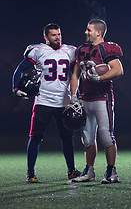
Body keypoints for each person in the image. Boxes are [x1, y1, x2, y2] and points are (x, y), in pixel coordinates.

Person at [12, 23, 81, 183]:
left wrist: (76, 95)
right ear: (46, 37)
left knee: (67, 137)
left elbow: (75, 74)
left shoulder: (70, 51)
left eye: (59, 34)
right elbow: (20, 70)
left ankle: (71, 171)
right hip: (43, 101)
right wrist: (16, 88)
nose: (58, 37)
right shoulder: (38, 50)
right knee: (35, 137)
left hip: (64, 102)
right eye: (54, 35)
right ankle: (30, 172)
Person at [70, 19, 123, 184]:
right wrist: (73, 96)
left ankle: (111, 172)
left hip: (102, 98)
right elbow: (75, 75)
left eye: (89, 30)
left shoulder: (106, 48)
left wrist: (99, 78)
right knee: (87, 138)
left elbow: (118, 70)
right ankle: (89, 171)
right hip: (85, 98)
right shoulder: (81, 50)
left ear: (98, 32)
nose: (86, 32)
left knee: (106, 136)